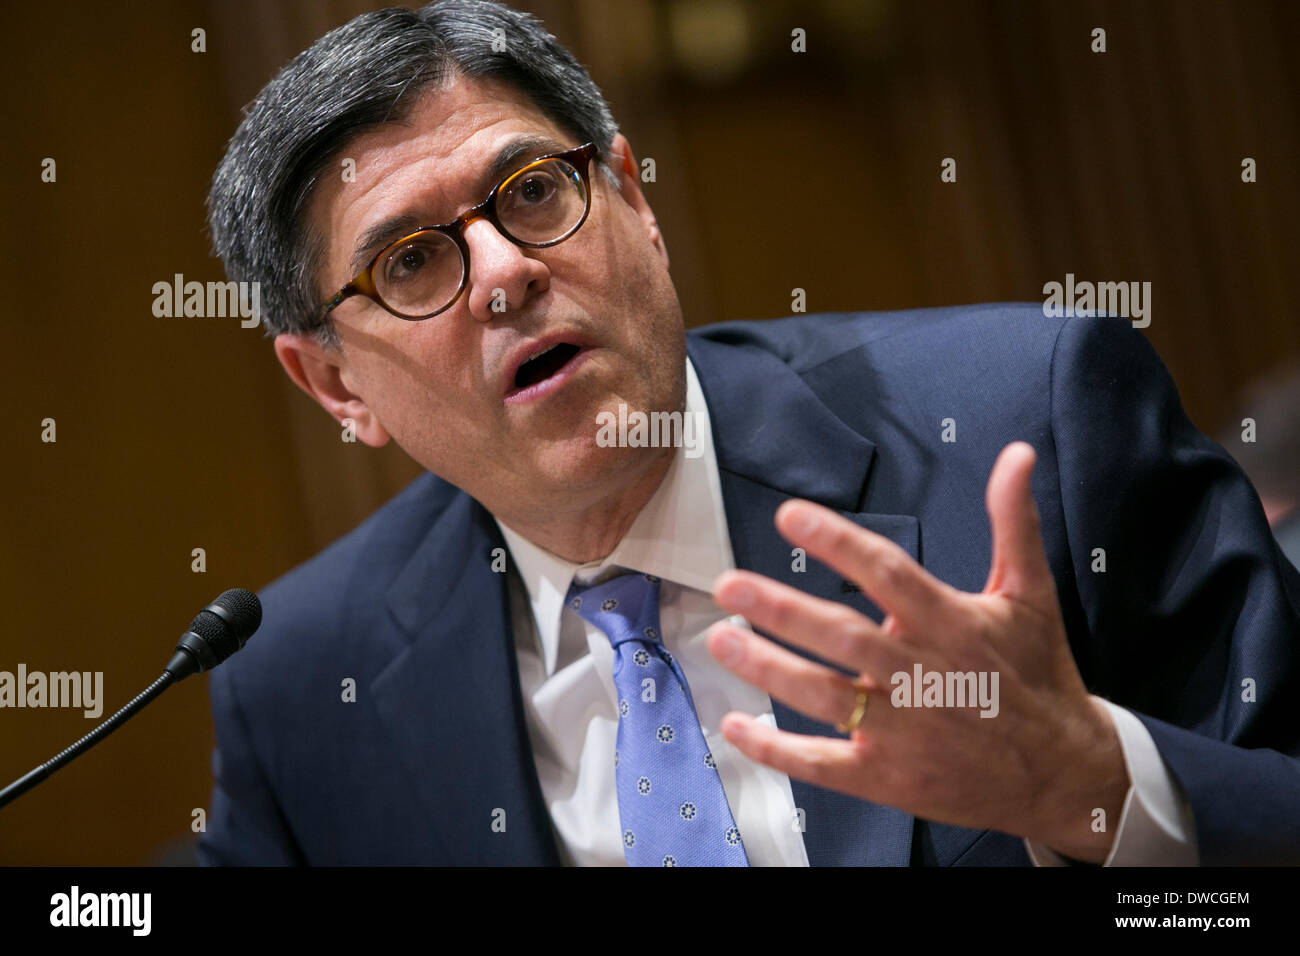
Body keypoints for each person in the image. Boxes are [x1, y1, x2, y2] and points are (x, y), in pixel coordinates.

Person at [197, 0, 1300, 866]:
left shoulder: (1033, 421)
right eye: (411, 263)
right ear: (333, 383)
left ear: (635, 198)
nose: (503, 273)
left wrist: (1094, 789)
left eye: (533, 191)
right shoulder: (302, 683)